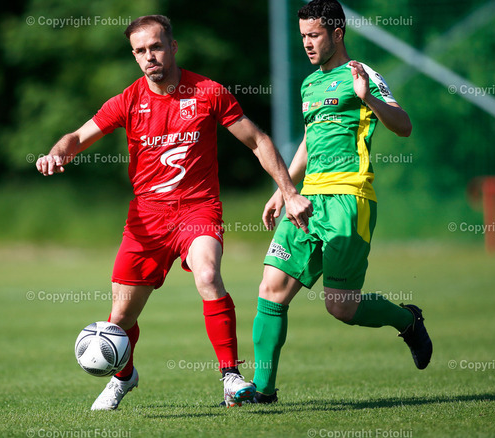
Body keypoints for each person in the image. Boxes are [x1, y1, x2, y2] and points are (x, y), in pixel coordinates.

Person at [36, 15, 311, 410]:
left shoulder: (208, 92)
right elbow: (78, 137)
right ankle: (123, 377)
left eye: (156, 47)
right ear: (134, 56)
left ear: (173, 46)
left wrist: (289, 191)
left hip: (198, 209)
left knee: (208, 275)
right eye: (140, 51)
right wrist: (57, 153)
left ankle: (230, 377)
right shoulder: (128, 101)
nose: (149, 56)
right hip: (146, 220)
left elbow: (257, 140)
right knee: (120, 319)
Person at [249, 0, 433, 404]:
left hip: (349, 200)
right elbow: (309, 142)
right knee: (271, 288)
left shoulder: (361, 74)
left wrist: (369, 98)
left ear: (337, 33)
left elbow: (403, 125)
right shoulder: (309, 84)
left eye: (314, 35)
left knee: (341, 308)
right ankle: (263, 391)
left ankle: (407, 320)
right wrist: (283, 190)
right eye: (302, 36)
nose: (307, 43)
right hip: (306, 202)